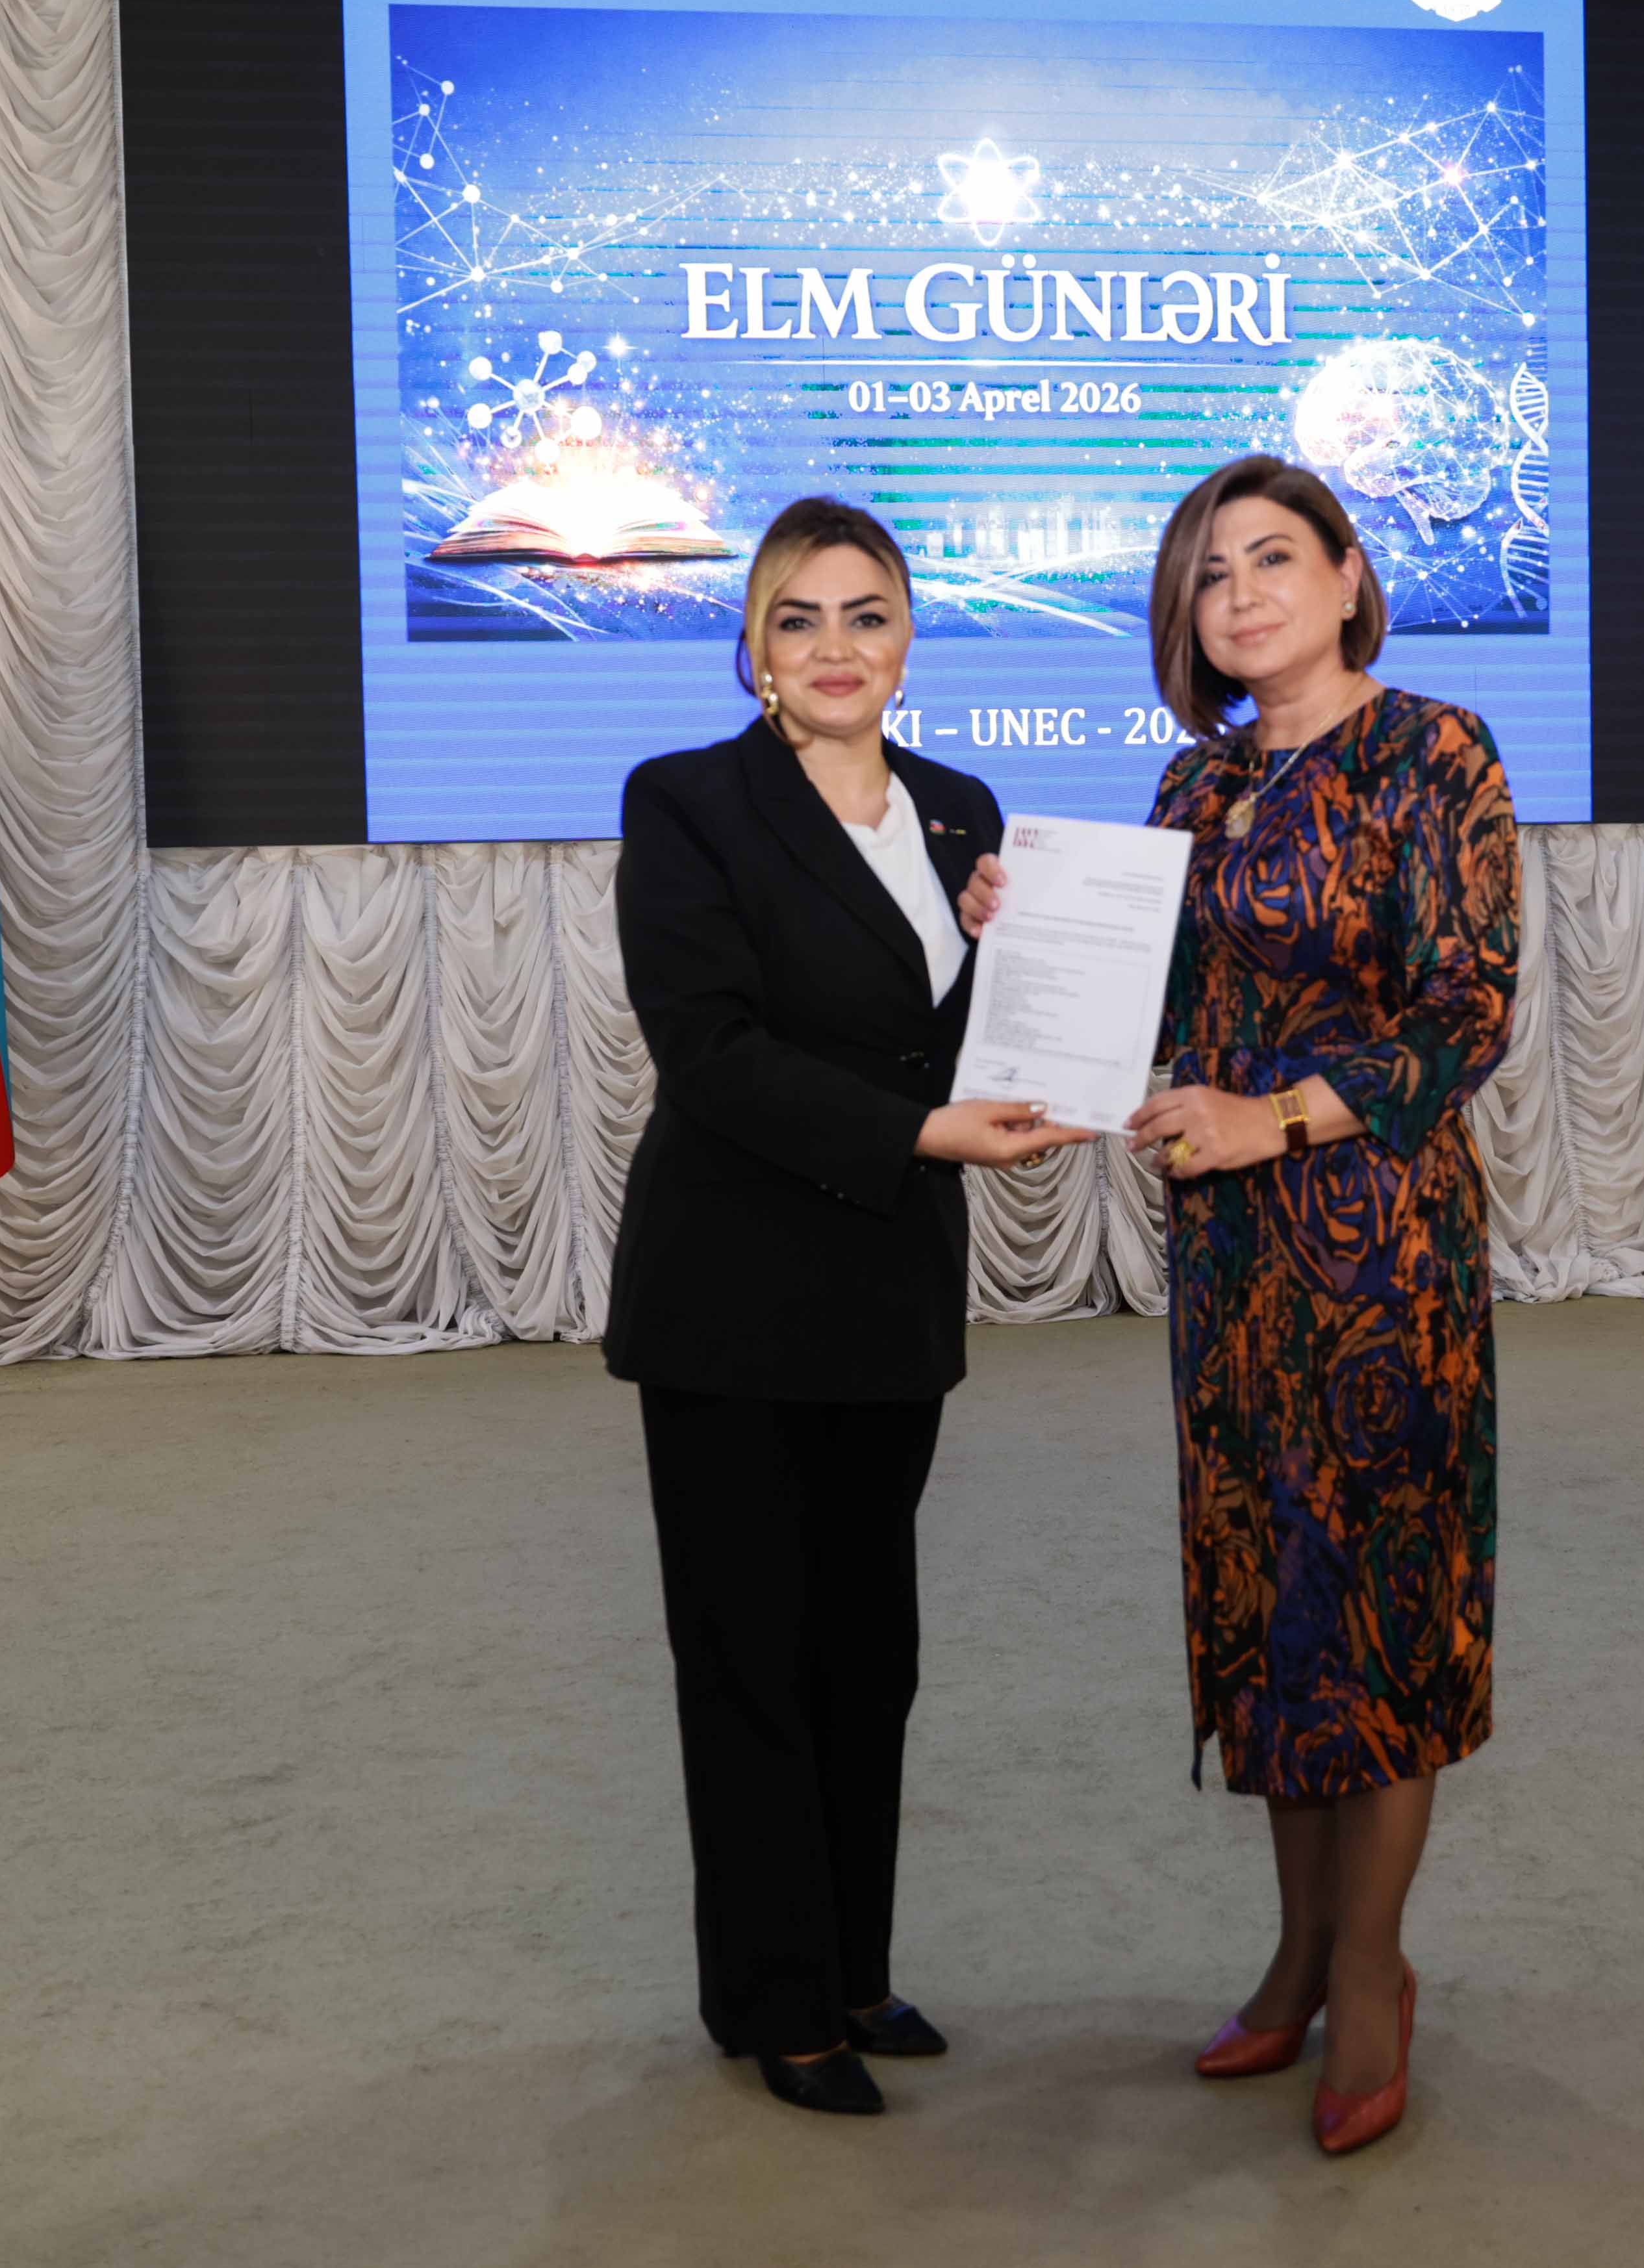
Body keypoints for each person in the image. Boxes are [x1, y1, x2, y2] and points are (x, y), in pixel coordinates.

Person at [963, 453, 1519, 2157]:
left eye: (1275, 558)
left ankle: (1370, 1968)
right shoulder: (1193, 787)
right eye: (1210, 574)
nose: (1242, 594)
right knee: (1268, 1600)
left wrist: (1273, 1118)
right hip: (1229, 1262)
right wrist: (1015, 933)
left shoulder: (1435, 752)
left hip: (1381, 1253)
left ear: (1349, 577)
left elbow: (1466, 1015)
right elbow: (1150, 1007)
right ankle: (1293, 1950)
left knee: (1382, 1609)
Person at [605, 496, 1083, 2119]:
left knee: (869, 1651)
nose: (834, 646)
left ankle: (854, 1966)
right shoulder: (686, 802)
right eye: (797, 617)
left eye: (865, 613)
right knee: (750, 1653)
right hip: (731, 1297)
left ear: (907, 639)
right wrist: (927, 1131)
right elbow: (711, 1055)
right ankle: (775, 1996)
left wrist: (1022, 979)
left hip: (886, 1290)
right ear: (752, 647)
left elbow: (955, 1048)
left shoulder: (960, 811)